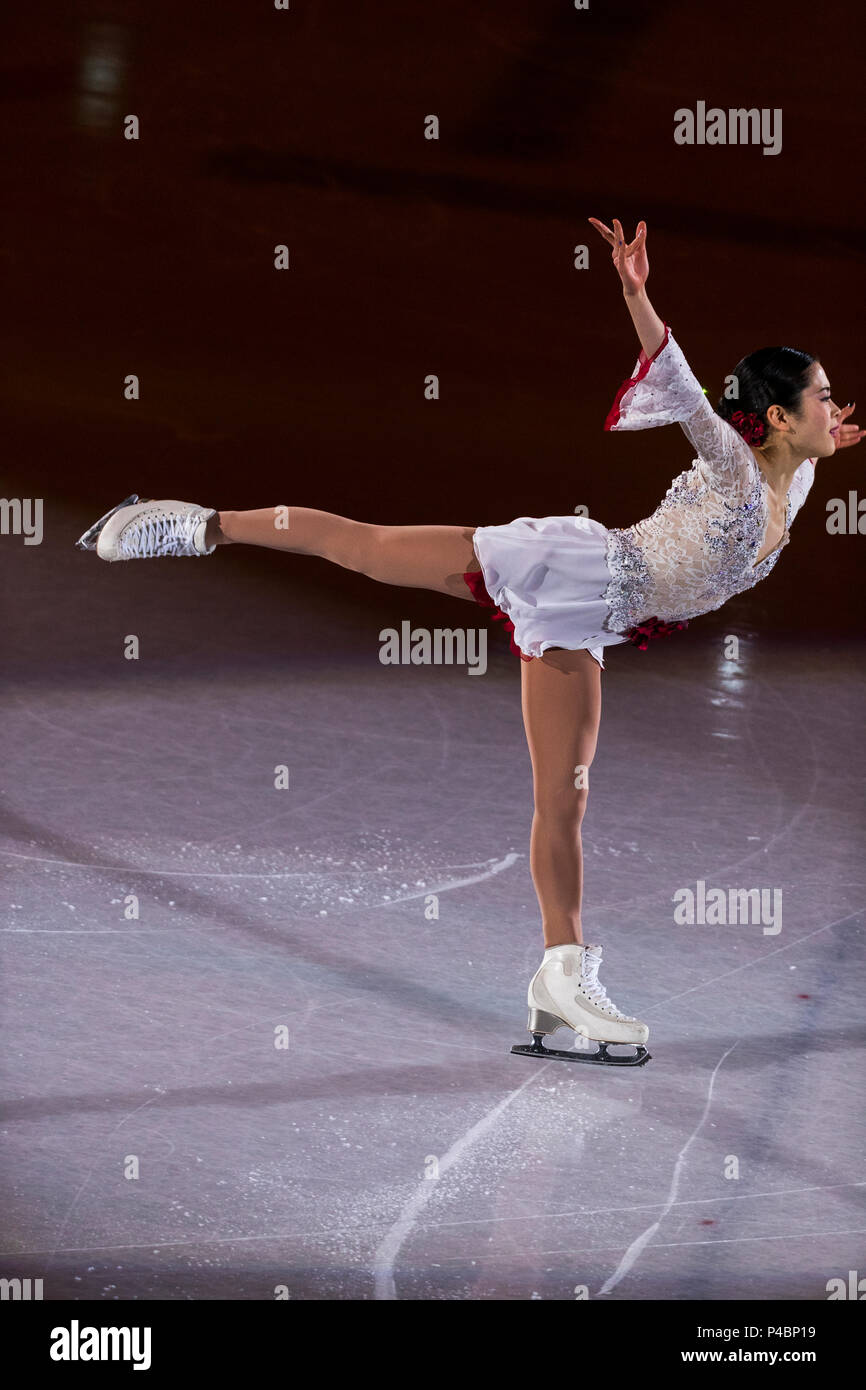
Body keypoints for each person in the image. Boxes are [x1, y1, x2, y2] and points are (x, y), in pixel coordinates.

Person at [76, 219, 863, 1066]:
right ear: (778, 416)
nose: (838, 407)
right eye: (823, 397)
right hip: (571, 568)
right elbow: (684, 389)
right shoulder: (737, 470)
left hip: (592, 622)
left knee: (564, 797)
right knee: (368, 548)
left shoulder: (798, 476)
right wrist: (635, 292)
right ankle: (190, 524)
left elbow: (786, 453)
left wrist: (821, 440)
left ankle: (561, 976)